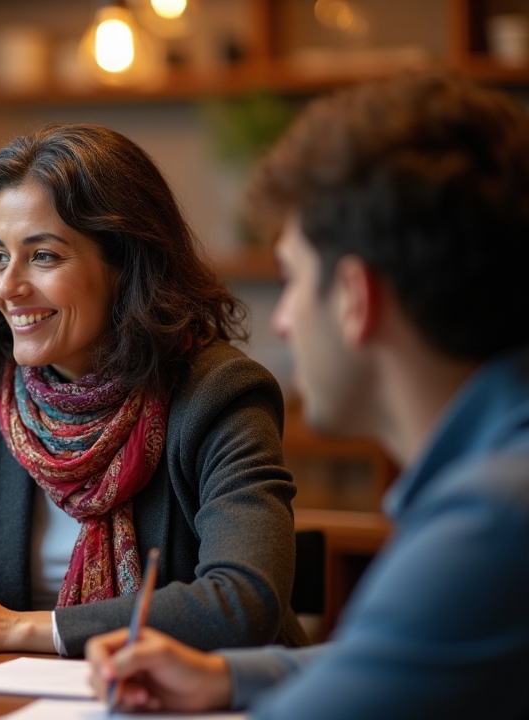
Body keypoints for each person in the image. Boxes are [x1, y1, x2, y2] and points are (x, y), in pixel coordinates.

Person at [85, 74, 529, 719]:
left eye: (292, 278)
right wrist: (224, 677)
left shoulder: (491, 520)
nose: (285, 320)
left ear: (354, 298)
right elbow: (394, 652)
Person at [0, 123, 307, 658]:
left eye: (43, 256)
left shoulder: (219, 393)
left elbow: (243, 602)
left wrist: (17, 627)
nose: (8, 287)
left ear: (125, 266)